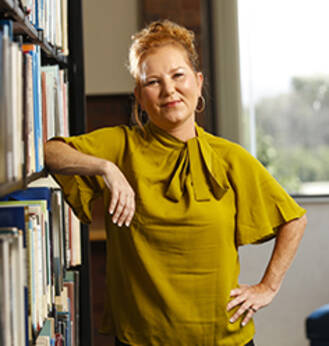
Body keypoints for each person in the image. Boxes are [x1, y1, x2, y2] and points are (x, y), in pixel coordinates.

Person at [45, 20, 307, 346]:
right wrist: (105, 168)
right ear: (139, 97)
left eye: (178, 75)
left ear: (198, 83)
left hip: (224, 338)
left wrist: (267, 287)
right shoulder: (120, 146)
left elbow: (294, 219)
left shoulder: (230, 158)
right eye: (153, 81)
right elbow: (48, 152)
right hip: (141, 339)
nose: (169, 90)